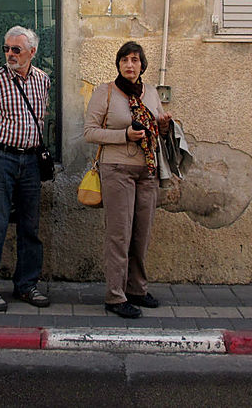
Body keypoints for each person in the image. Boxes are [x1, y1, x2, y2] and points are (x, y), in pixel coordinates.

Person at [84, 41, 171, 318]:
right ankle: (115, 296)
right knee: (119, 235)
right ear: (118, 65)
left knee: (141, 234)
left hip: (147, 170)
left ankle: (137, 289)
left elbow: (156, 126)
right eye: (124, 60)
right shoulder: (106, 92)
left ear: (142, 65)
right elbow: (90, 132)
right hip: (117, 169)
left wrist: (164, 126)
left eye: (134, 60)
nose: (129, 65)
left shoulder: (151, 93)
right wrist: (124, 136)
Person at [0, 25, 51, 312]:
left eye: (16, 49)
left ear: (32, 51)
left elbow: (39, 119)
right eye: (6, 48)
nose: (10, 54)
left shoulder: (42, 80)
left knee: (30, 226)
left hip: (30, 161)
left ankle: (26, 285)